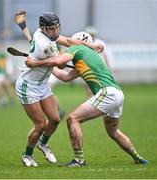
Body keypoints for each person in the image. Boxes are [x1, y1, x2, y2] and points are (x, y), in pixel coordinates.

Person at [25, 32, 148, 167]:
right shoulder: (89, 57)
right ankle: (137, 157)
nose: (68, 43)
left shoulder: (77, 48)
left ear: (77, 41)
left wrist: (37, 62)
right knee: (113, 131)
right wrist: (48, 65)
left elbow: (59, 61)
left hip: (107, 93)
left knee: (73, 119)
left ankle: (79, 160)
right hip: (118, 94)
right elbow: (65, 77)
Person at [15, 12, 103, 167]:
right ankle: (27, 155)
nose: (55, 31)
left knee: (55, 119)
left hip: (42, 84)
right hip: (27, 86)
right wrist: (78, 62)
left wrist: (92, 45)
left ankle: (42, 143)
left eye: (56, 27)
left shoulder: (43, 34)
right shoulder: (46, 46)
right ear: (43, 29)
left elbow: (68, 41)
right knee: (40, 124)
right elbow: (61, 64)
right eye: (51, 29)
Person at [0, 44, 15, 108]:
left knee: (6, 86)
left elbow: (7, 61)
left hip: (2, 73)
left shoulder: (1, 54)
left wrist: (9, 70)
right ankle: (3, 99)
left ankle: (8, 100)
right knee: (0, 86)